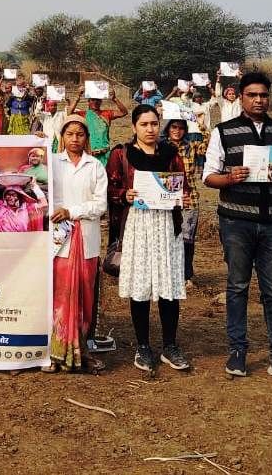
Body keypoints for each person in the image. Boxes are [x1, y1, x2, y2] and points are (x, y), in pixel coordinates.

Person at [203, 72, 272, 384]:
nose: (258, 100)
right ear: (241, 97)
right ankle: (237, 351)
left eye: (263, 95)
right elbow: (209, 177)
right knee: (237, 287)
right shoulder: (224, 132)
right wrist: (229, 178)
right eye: (252, 95)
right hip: (236, 221)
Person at [106, 104, 191, 374]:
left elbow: (183, 186)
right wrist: (124, 196)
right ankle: (143, 346)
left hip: (166, 225)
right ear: (134, 127)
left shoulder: (170, 154)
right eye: (144, 124)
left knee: (168, 285)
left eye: (154, 124)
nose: (150, 129)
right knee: (141, 285)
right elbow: (110, 188)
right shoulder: (122, 154)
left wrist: (184, 197)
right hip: (137, 225)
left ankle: (170, 345)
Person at [47, 115, 108, 373]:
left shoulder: (95, 166)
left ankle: (81, 349)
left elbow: (100, 205)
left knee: (84, 293)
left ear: (87, 138)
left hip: (86, 238)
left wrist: (71, 211)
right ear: (62, 137)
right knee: (59, 294)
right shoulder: (52, 163)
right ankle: (55, 352)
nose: (75, 139)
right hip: (58, 239)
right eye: (70, 134)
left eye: (80, 134)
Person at [167, 119, 206, 282]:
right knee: (168, 238)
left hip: (190, 199)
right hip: (166, 199)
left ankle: (186, 275)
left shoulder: (192, 146)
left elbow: (209, 144)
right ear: (168, 128)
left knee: (187, 240)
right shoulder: (160, 147)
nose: (177, 131)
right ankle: (169, 274)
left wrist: (202, 124)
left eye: (181, 128)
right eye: (174, 127)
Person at [68, 84, 128, 167]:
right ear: (88, 101)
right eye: (93, 100)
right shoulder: (84, 115)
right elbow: (69, 113)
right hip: (89, 155)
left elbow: (124, 112)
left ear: (101, 102)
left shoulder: (106, 114)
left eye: (98, 100)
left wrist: (114, 99)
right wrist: (78, 96)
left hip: (105, 155)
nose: (95, 102)